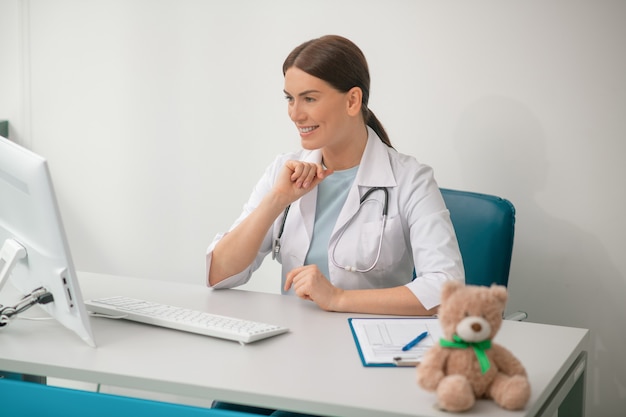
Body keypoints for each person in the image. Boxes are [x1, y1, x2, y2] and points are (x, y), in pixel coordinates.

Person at [207, 34, 464, 416]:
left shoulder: (410, 179)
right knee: (223, 410)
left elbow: (445, 288)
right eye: (289, 99)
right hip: (290, 351)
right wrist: (277, 200)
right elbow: (219, 273)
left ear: (352, 100)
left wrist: (340, 300)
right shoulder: (285, 170)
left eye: (309, 98)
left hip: (363, 362)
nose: (295, 113)